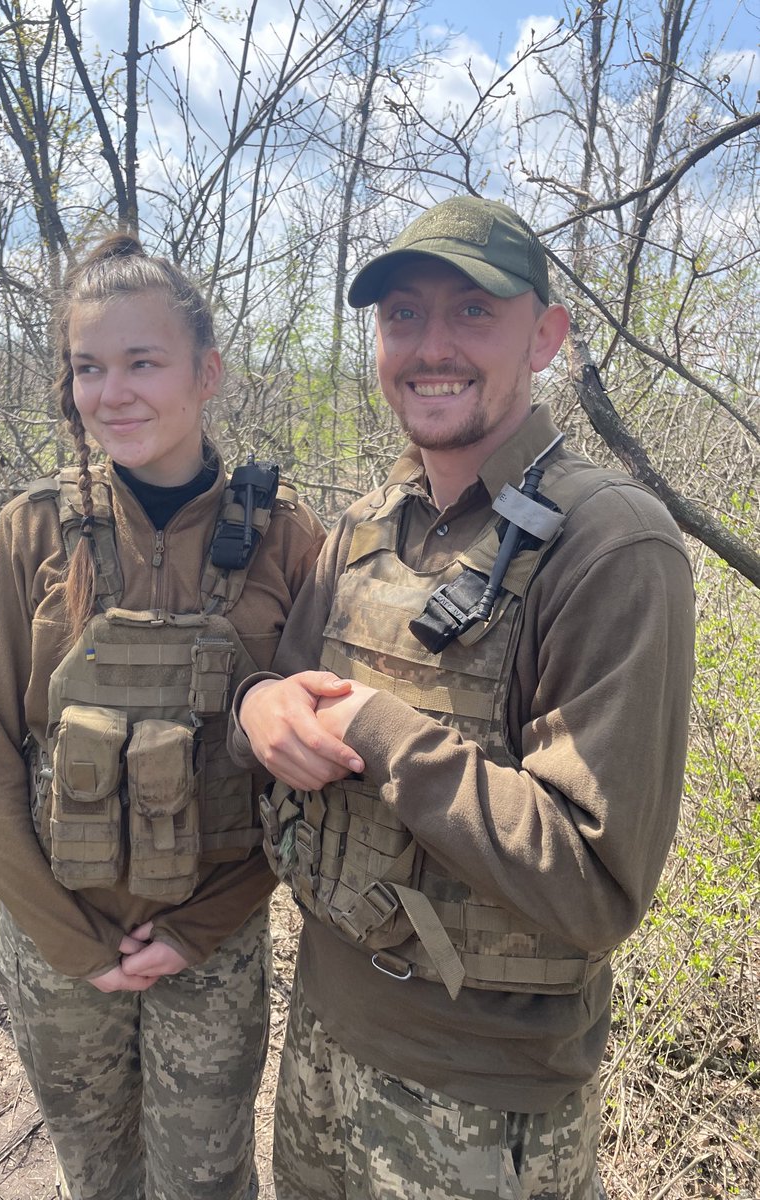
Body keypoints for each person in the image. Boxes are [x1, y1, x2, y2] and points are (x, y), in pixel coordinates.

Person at [231, 196, 695, 1200]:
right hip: (319, 1044)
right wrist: (259, 707)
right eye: (403, 316)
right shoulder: (363, 529)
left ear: (548, 335)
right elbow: (286, 703)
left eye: (473, 312)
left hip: (483, 1110)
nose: (431, 346)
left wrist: (382, 734)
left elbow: (594, 885)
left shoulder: (613, 547)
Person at [0, 234, 324, 1200]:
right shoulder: (33, 530)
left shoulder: (287, 538)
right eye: (87, 368)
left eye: (142, 362)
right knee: (98, 1178)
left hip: (213, 949)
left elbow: (314, 773)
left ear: (208, 373)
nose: (111, 393)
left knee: (208, 1180)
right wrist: (71, 946)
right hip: (57, 947)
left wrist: (206, 924)